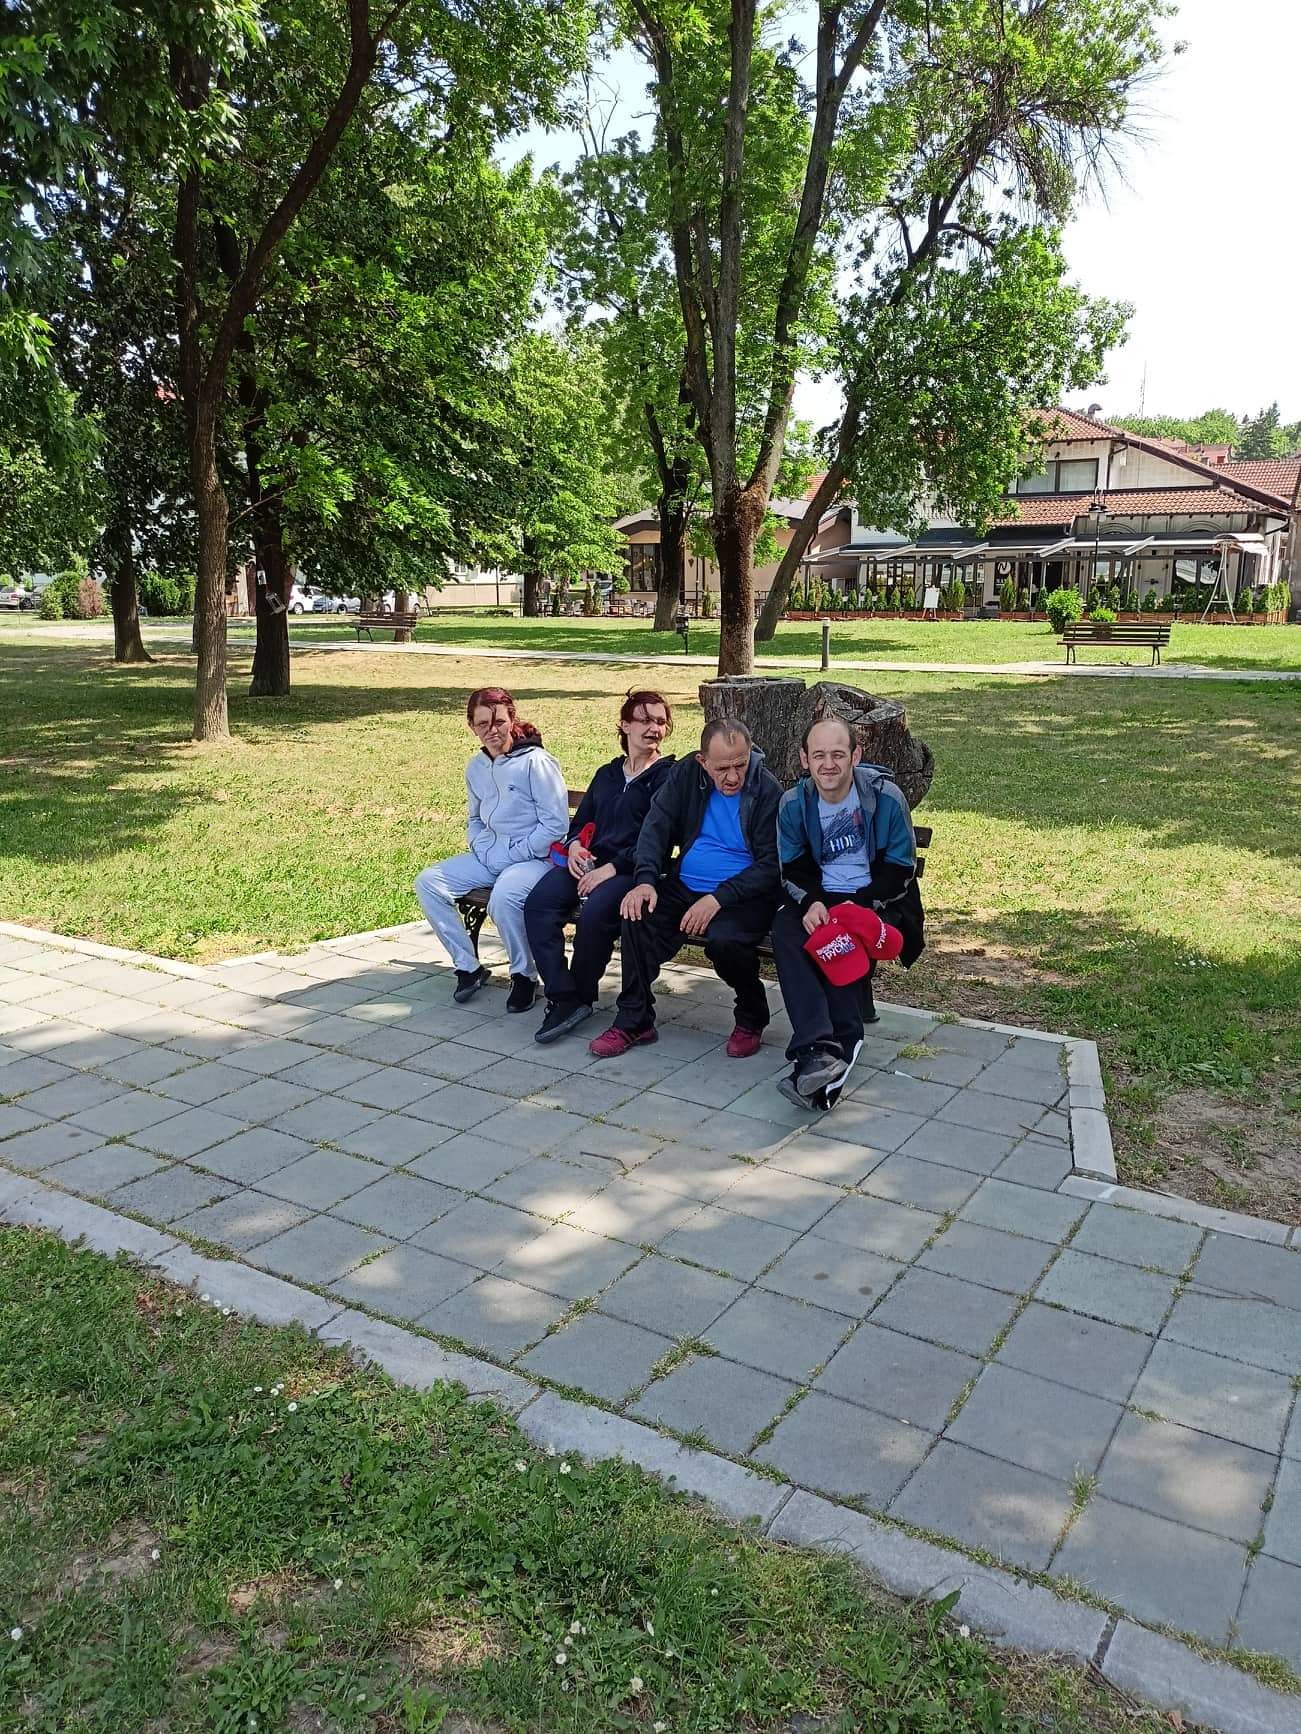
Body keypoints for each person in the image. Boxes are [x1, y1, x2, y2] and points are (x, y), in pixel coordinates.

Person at [589, 718, 781, 1060]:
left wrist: (718, 898)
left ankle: (751, 1016)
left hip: (743, 894)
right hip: (686, 883)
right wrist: (645, 881)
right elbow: (656, 827)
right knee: (637, 914)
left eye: (740, 765)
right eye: (722, 769)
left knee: (726, 940)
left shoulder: (766, 789)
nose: (733, 777)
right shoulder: (686, 775)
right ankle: (635, 1020)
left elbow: (771, 865)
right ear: (703, 762)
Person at [772, 716, 925, 1100]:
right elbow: (792, 867)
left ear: (856, 755)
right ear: (804, 759)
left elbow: (900, 869)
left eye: (838, 754)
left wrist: (856, 906)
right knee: (786, 930)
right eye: (819, 755)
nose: (829, 764)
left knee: (842, 935)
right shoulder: (794, 804)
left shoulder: (885, 799)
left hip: (876, 900)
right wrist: (812, 902)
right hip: (821, 899)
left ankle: (831, 1047)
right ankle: (818, 1049)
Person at [523, 691, 676, 1044]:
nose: (654, 728)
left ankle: (581, 996)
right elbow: (581, 822)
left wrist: (612, 869)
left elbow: (659, 837)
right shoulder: (607, 774)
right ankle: (563, 996)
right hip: (588, 863)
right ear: (625, 725)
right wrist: (576, 846)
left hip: (633, 870)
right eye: (645, 720)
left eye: (660, 721)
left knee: (595, 915)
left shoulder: (667, 777)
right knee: (539, 904)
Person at [414, 687, 569, 1011]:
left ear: (511, 719)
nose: (492, 730)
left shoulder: (536, 762)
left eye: (499, 722)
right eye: (483, 724)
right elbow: (474, 819)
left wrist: (514, 853)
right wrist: (482, 847)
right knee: (429, 882)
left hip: (535, 859)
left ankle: (524, 975)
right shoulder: (476, 767)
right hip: (490, 856)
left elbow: (555, 825)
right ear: (472, 726)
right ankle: (468, 967)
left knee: (503, 897)